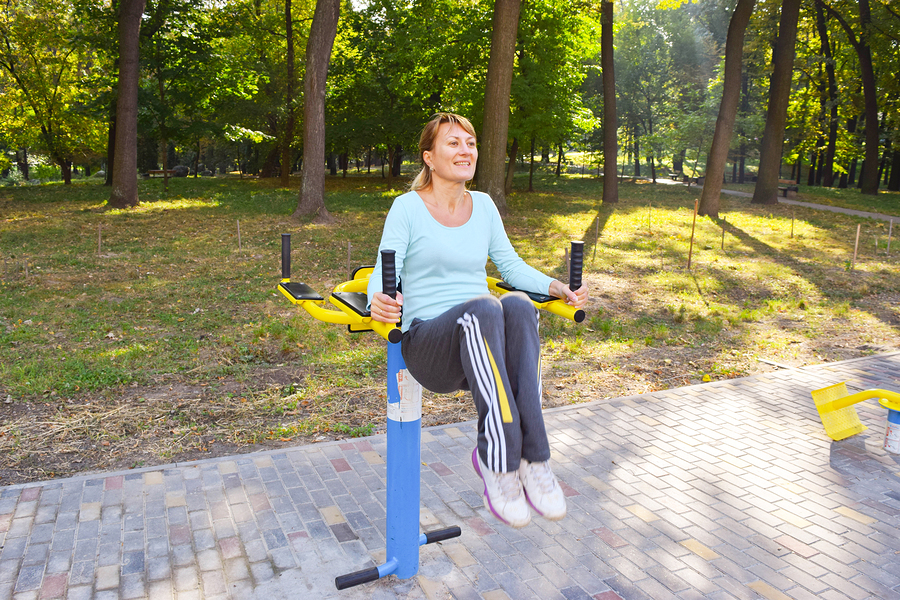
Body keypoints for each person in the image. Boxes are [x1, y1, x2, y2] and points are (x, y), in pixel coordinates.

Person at [367, 113, 588, 528]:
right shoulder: (408, 208)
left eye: (470, 142)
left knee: (520, 304)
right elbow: (384, 268)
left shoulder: (483, 206)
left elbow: (510, 265)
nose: (465, 150)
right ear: (429, 157)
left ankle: (534, 461)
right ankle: (498, 460)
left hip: (482, 346)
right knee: (486, 306)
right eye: (453, 143)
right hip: (430, 345)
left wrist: (556, 285)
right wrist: (376, 299)